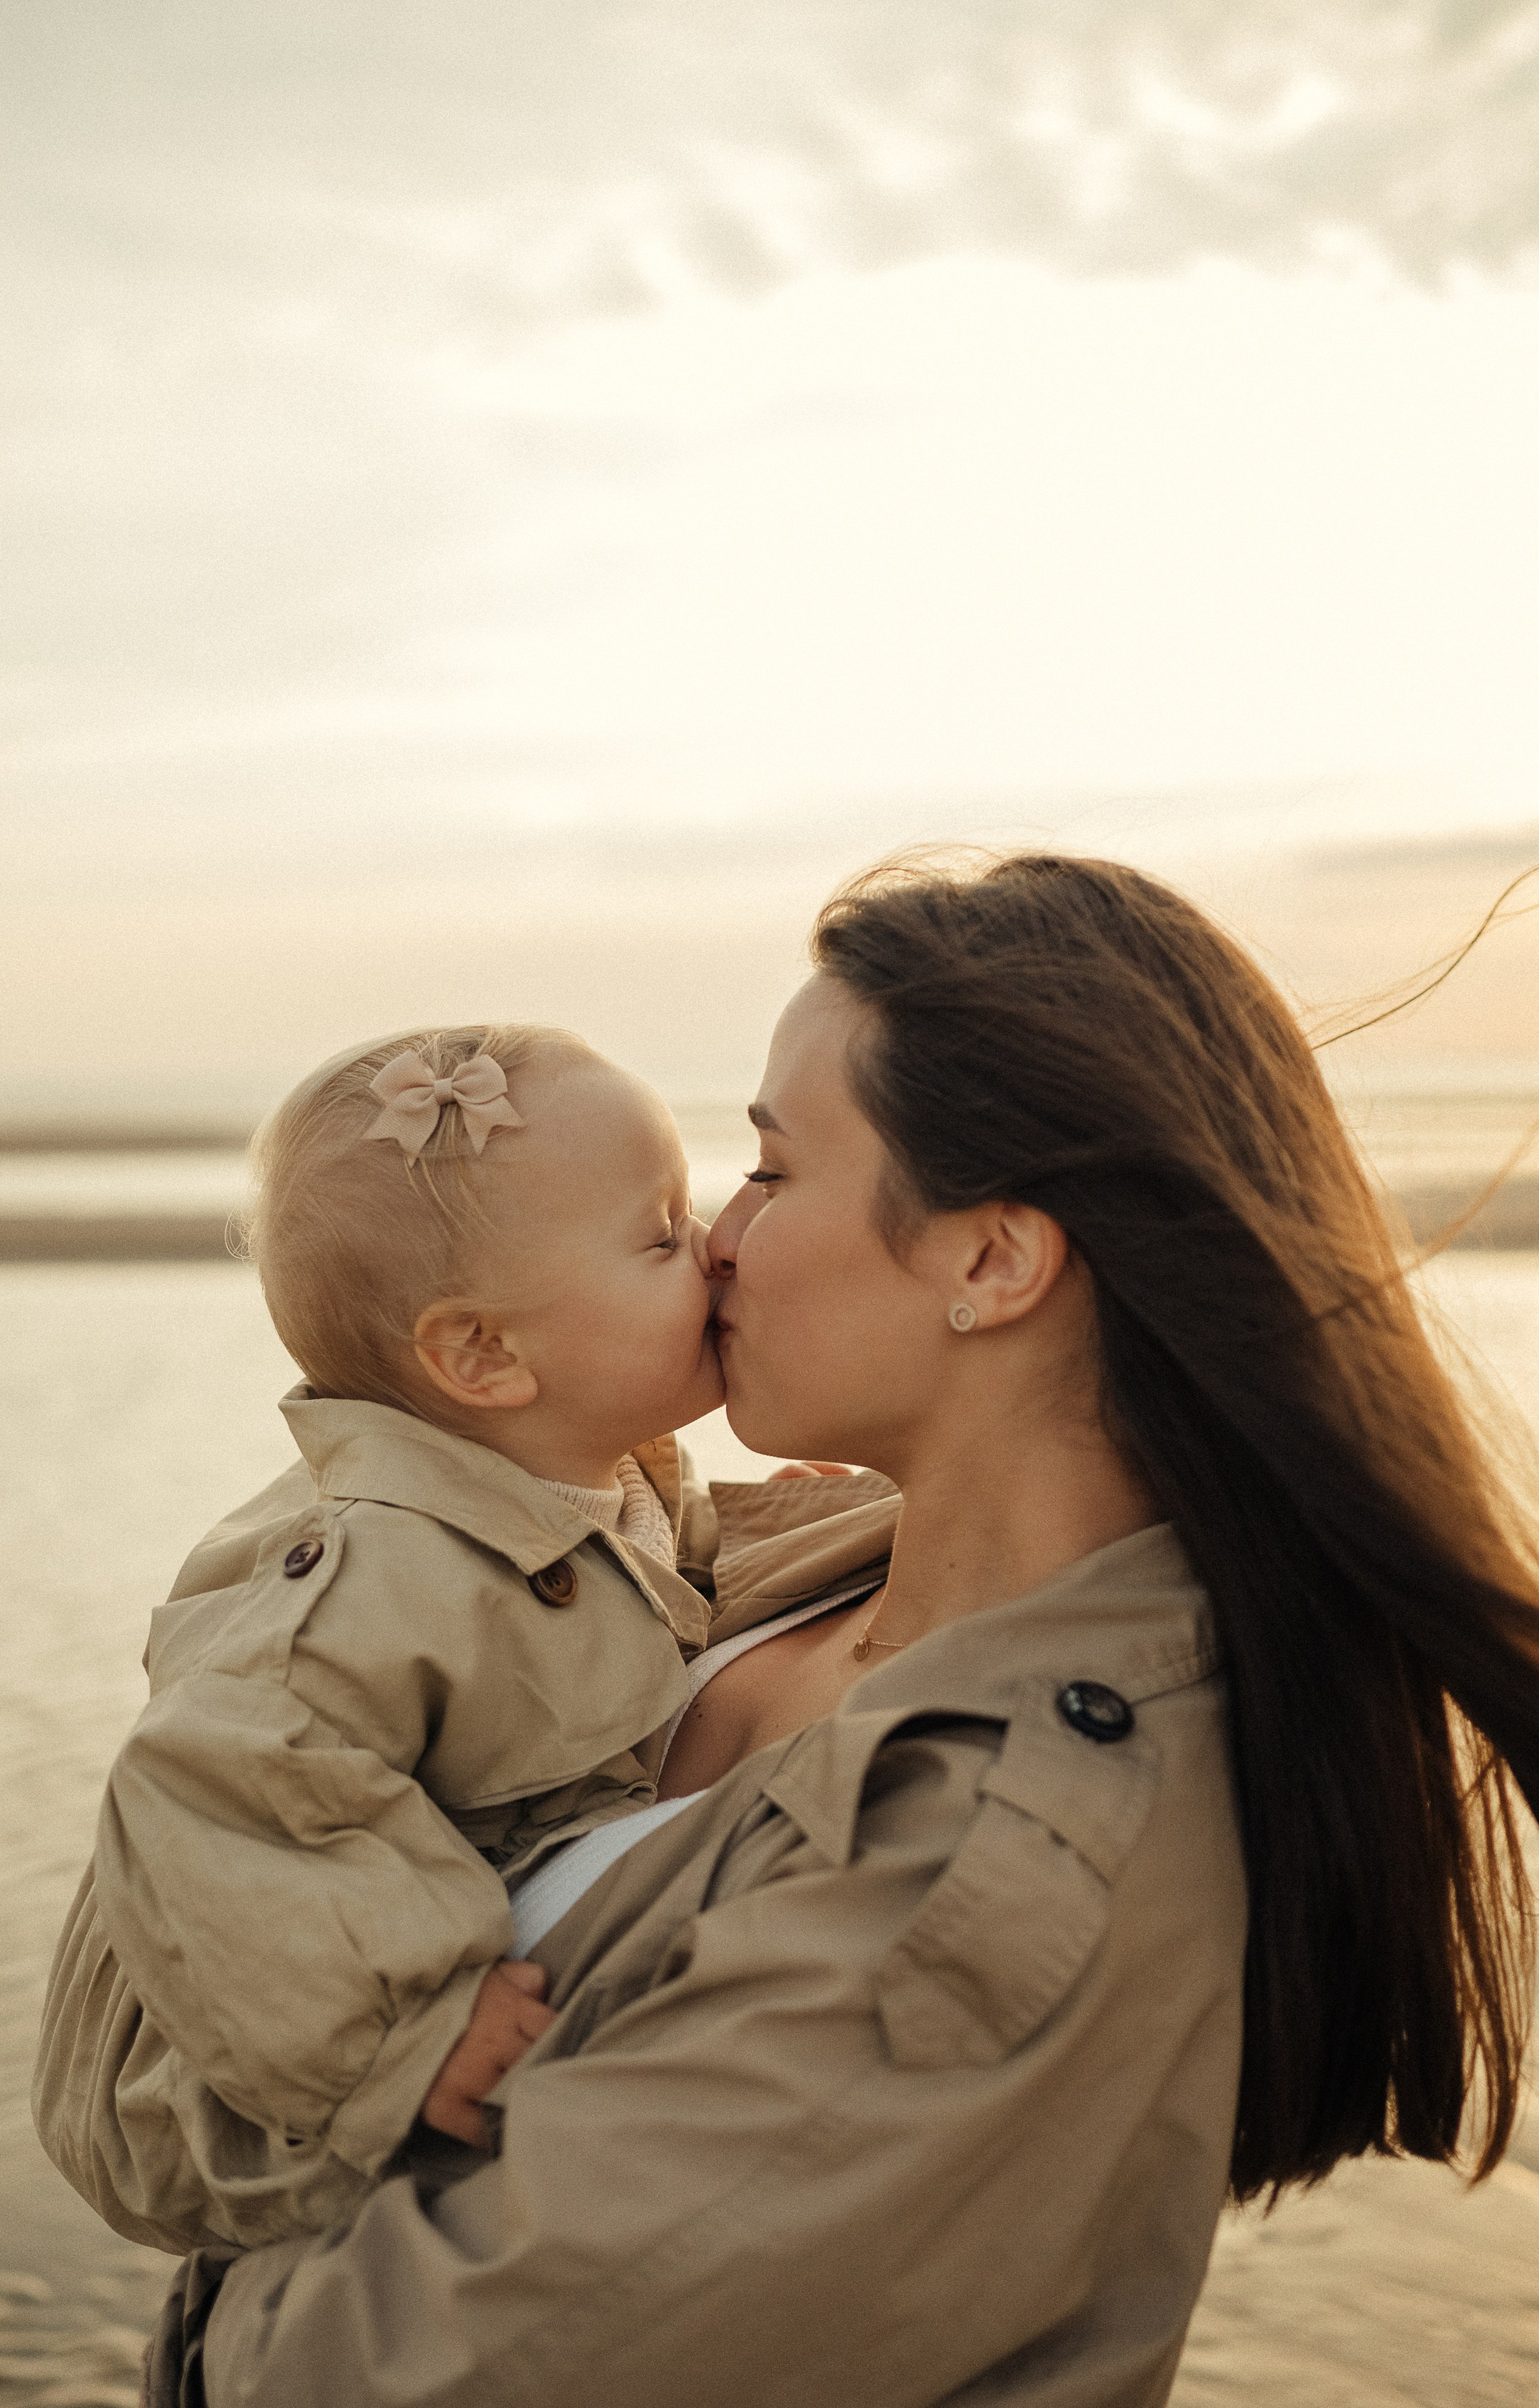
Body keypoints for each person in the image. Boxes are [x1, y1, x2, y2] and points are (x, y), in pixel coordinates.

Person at [152, 853, 1539, 2408]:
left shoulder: (999, 1858)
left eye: (769, 1168)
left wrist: (222, 2022)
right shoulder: (767, 1559)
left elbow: (370, 2375)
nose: (722, 1237)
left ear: (991, 1259)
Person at [34, 1023, 897, 2253]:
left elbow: (670, 1578)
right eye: (659, 1236)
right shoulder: (381, 1570)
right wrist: (406, 2023)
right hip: (227, 2054)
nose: (714, 1246)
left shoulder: (598, 1473)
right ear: (484, 1354)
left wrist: (857, 1497)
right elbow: (209, 1782)